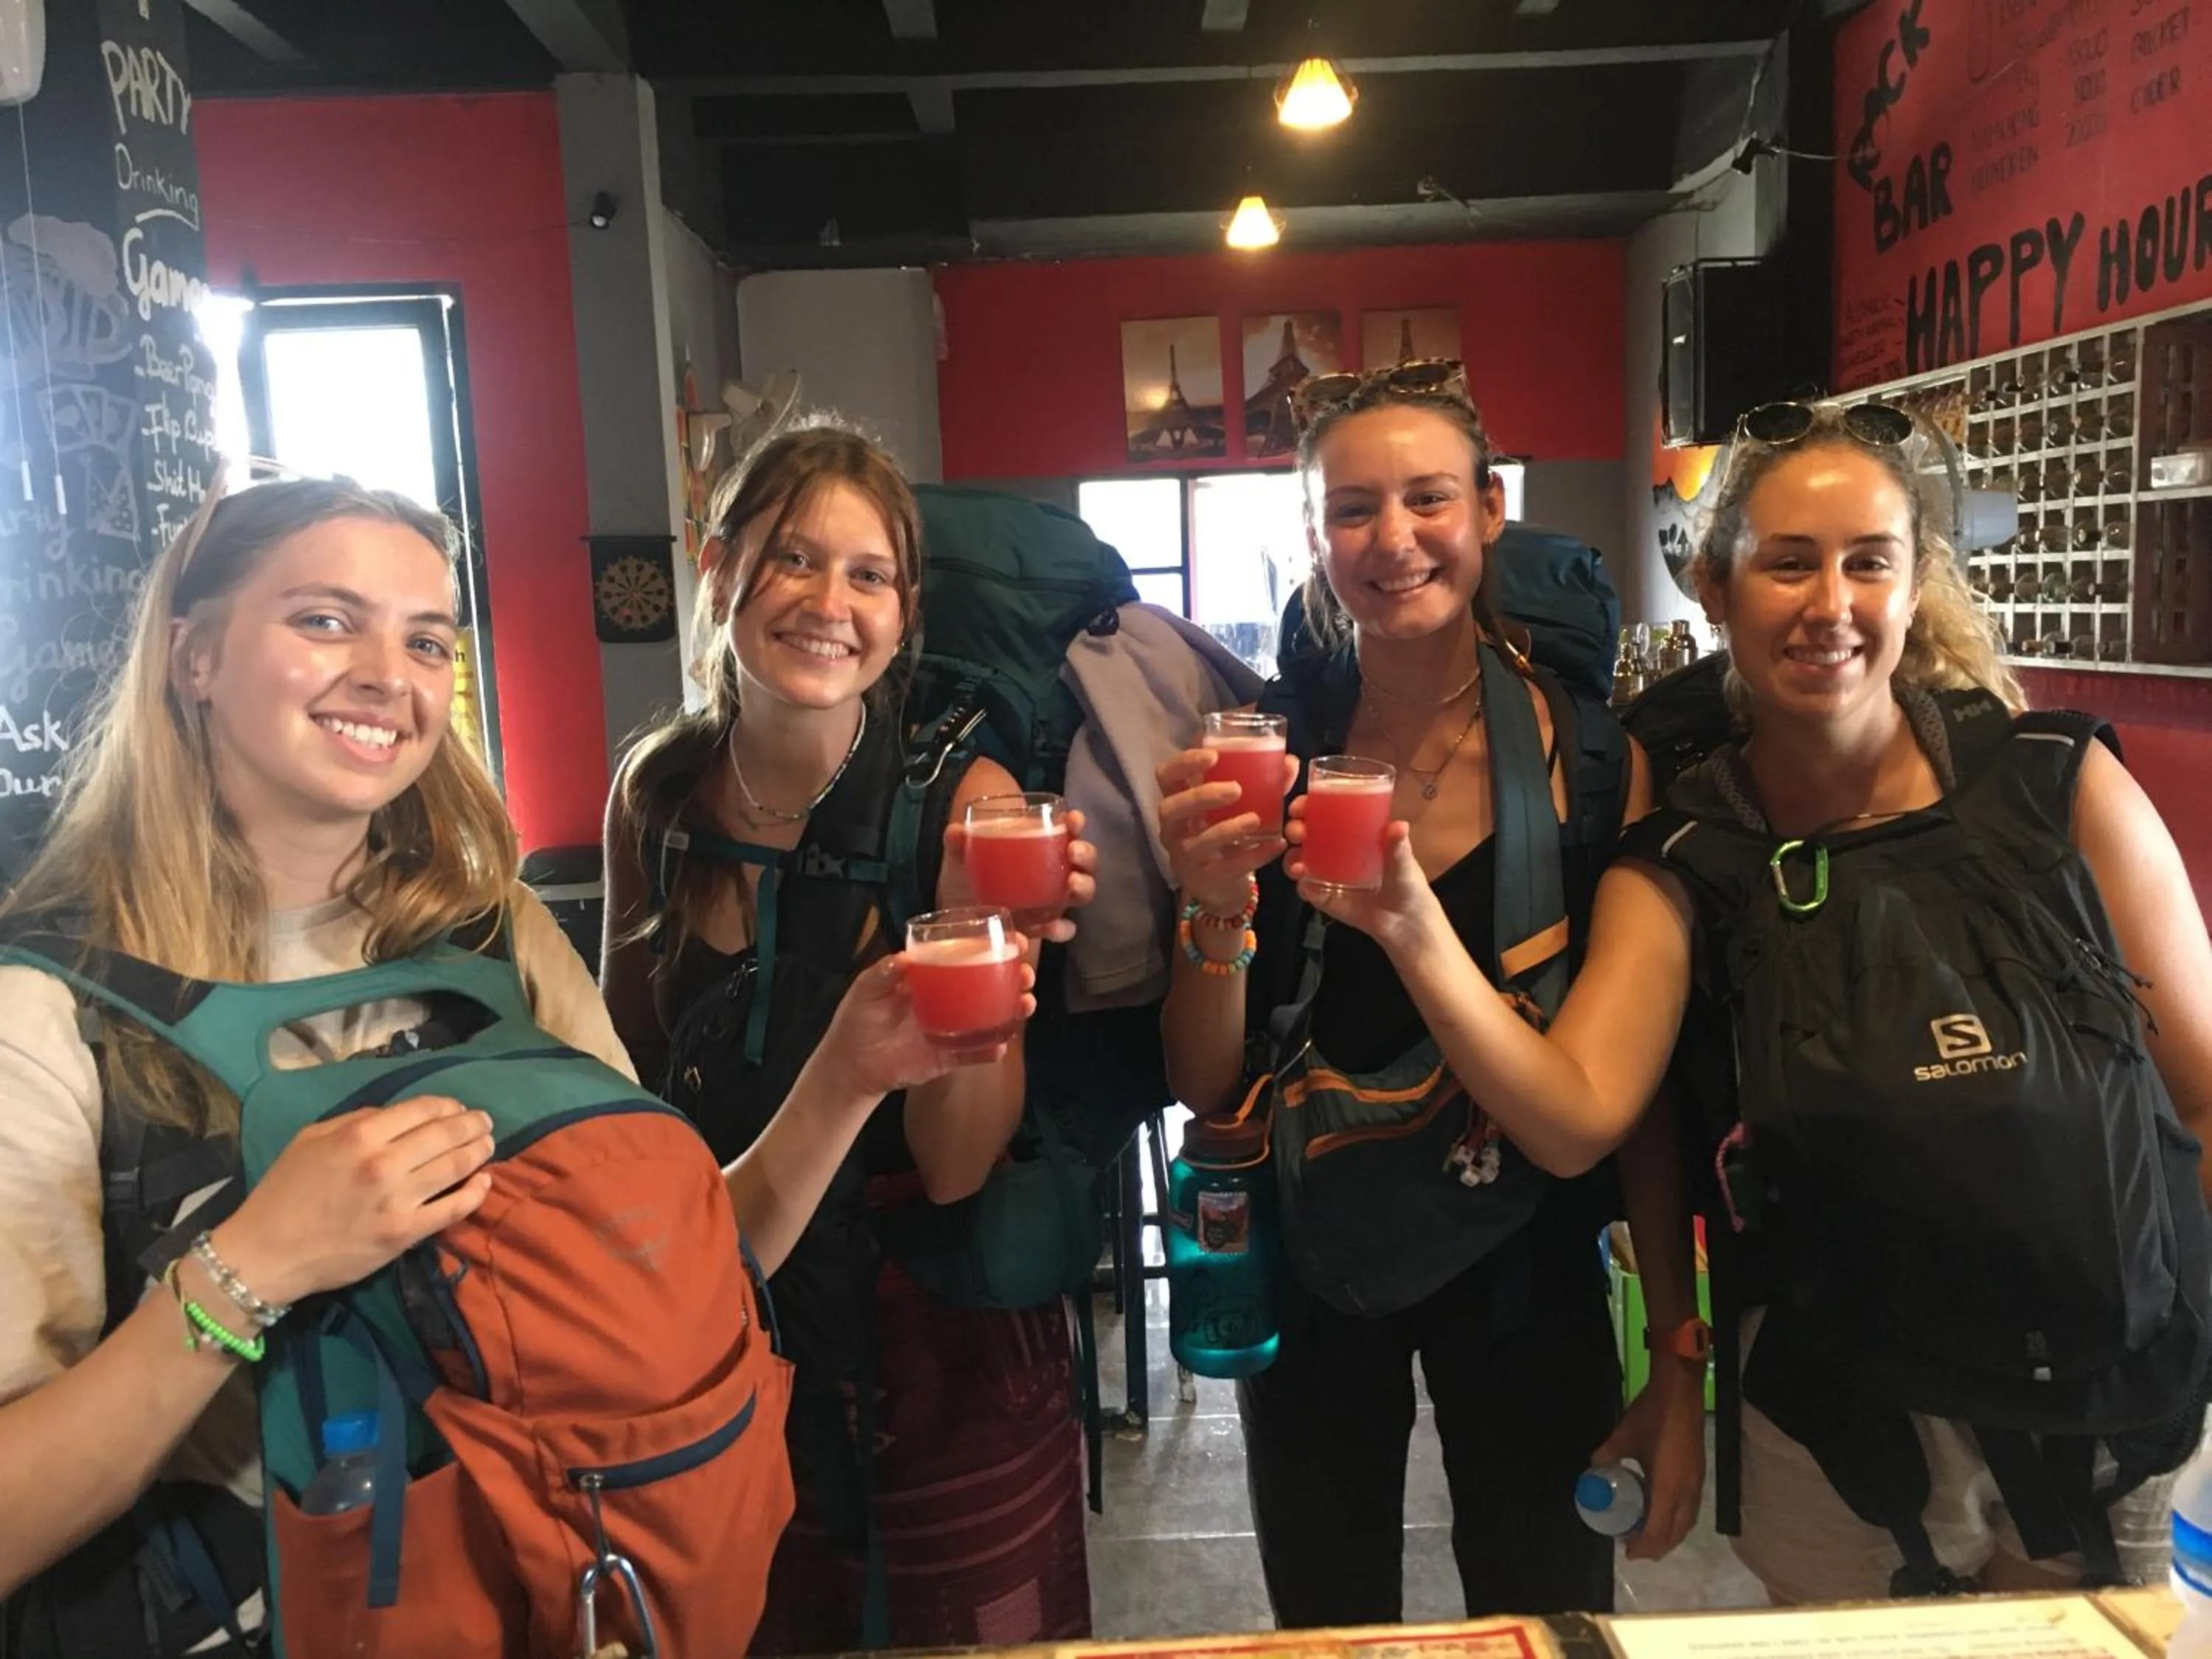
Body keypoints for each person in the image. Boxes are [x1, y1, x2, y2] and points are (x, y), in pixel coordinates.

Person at [0, 476, 981, 1654]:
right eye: (324, 619)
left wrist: (848, 1074)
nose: (385, 672)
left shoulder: (491, 933)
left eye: (425, 639)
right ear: (193, 655)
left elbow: (682, 1278)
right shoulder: (51, 1013)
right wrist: (254, 1263)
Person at [1324, 400, 2212, 1601]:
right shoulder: (1692, 854)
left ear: (1915, 586)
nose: (1830, 604)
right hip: (1837, 1419)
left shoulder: (2058, 783)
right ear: (1717, 586)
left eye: (1868, 563)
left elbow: (2202, 1099)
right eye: (1789, 562)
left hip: (2109, 1404)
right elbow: (1580, 1110)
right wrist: (1409, 922)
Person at [1154, 362, 1705, 1629]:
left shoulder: (1595, 762)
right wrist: (1210, 906)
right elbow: (1202, 1077)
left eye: (1427, 499)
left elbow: (1635, 1087)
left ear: (1492, 508)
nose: (1392, 539)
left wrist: (1675, 1352)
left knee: (1541, 1608)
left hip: (1527, 1254)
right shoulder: (1263, 760)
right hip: (1315, 1247)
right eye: (1352, 509)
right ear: (1313, 536)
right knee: (1329, 1616)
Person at [602, 419, 1097, 1653]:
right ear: (719, 568)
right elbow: (625, 1083)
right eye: (793, 560)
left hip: (935, 1354)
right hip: (722, 1308)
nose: (831, 602)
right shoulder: (655, 796)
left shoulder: (965, 806)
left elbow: (955, 1166)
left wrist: (1007, 961)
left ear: (904, 607)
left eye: (869, 574)